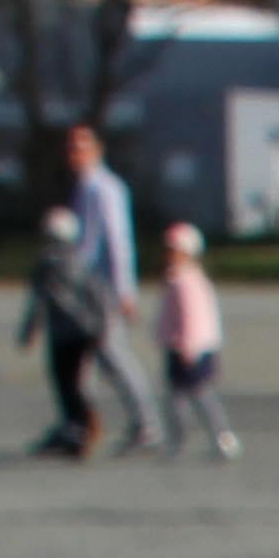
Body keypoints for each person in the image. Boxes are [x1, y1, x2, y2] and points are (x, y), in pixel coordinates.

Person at [59, 124, 166, 452]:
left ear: (97, 150)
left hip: (101, 290)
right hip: (82, 289)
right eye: (71, 147)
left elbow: (117, 242)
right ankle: (81, 424)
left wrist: (124, 290)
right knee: (82, 362)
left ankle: (147, 424)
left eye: (82, 146)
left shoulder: (104, 189)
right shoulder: (83, 187)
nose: (74, 153)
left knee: (113, 356)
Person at [19, 211, 111, 457]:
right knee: (76, 382)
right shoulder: (82, 259)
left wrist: (28, 331)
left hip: (63, 332)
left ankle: (77, 427)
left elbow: (38, 300)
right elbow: (97, 293)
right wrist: (101, 325)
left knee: (65, 382)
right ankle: (80, 424)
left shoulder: (46, 263)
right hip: (86, 330)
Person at [156, 219, 240, 457]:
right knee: (177, 399)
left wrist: (188, 346)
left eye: (173, 251)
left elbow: (191, 317)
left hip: (190, 349)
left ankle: (220, 437)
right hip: (185, 346)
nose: (168, 256)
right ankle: (179, 440)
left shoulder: (185, 282)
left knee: (199, 396)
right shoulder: (183, 278)